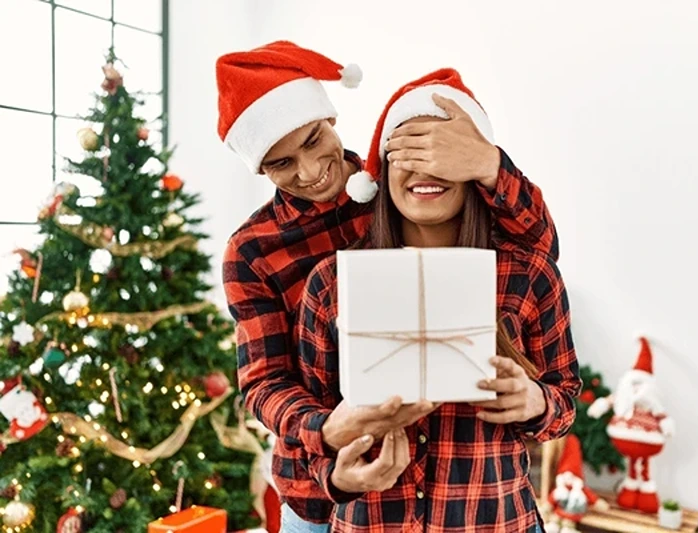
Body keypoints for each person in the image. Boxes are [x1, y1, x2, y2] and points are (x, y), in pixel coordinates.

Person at [217, 41, 560, 531]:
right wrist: (328, 430)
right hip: (322, 486)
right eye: (281, 164)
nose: (311, 173)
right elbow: (265, 381)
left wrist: (488, 164)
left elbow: (535, 256)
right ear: (260, 169)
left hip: (461, 489)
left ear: (331, 121)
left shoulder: (399, 183)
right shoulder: (253, 251)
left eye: (314, 141)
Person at [295, 68, 581, 532]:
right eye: (408, 151)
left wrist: (535, 402)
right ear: (383, 169)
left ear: (470, 167)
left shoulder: (527, 274)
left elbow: (564, 400)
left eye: (444, 154)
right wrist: (338, 476)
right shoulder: (331, 283)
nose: (426, 168)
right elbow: (310, 427)